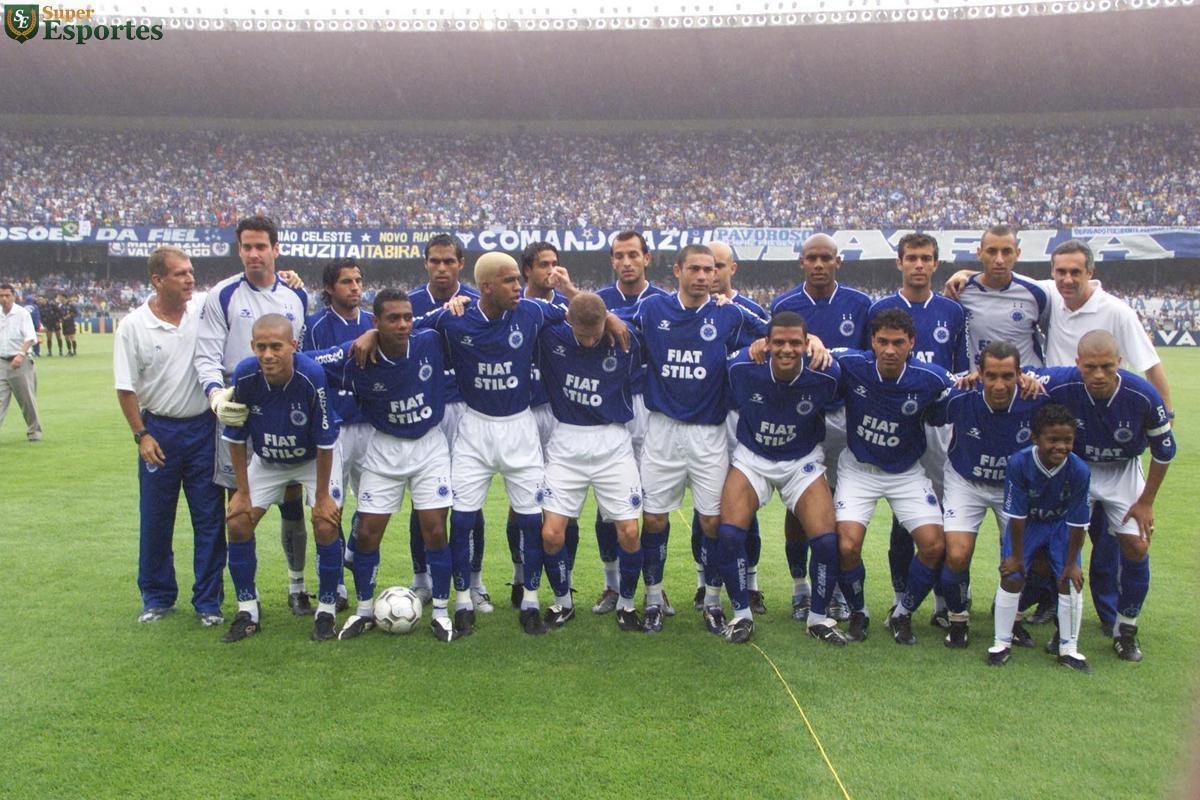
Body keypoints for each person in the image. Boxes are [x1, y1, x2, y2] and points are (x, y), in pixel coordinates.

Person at [412, 252, 625, 635]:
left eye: (517, 279)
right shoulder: (453, 317)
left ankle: (529, 600)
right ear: (487, 287)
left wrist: (607, 315)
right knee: (461, 518)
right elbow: (406, 328)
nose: (518, 286)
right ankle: (462, 601)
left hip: (520, 427)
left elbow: (582, 312)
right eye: (510, 280)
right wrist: (369, 333)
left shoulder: (533, 311)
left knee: (530, 519)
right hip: (474, 429)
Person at [631, 244, 766, 634]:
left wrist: (774, 342)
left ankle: (711, 600)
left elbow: (778, 330)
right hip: (662, 431)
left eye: (709, 269)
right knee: (654, 519)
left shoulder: (729, 313)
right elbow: (608, 318)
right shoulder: (652, 308)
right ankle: (653, 599)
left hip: (709, 434)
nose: (704, 276)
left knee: (712, 522)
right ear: (677, 270)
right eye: (695, 269)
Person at [309, 289, 457, 642]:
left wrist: (375, 332)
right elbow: (307, 361)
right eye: (392, 318)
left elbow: (437, 315)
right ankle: (362, 610)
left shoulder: (429, 341)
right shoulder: (354, 355)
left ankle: (440, 610)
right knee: (366, 534)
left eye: (406, 317)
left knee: (435, 529)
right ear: (375, 321)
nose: (403, 324)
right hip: (384, 449)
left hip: (428, 446)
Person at [194, 215, 315, 616]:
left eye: (261, 246)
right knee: (240, 506)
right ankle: (249, 601)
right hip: (238, 404)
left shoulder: (297, 296)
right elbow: (207, 354)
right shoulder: (223, 295)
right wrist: (216, 396)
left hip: (284, 407)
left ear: (276, 250)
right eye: (246, 246)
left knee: (292, 500)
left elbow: (302, 357)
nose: (253, 254)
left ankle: (297, 587)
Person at [1040, 330, 1176, 661]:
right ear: (1077, 364)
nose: (1098, 375)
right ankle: (1065, 627)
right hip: (1077, 468)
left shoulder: (1143, 395)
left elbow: (1164, 452)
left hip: (1122, 471)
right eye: (1089, 367)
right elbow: (1017, 374)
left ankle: (1126, 629)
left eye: (1105, 366)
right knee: (1065, 549)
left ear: (1119, 362)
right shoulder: (1061, 382)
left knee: (1136, 545)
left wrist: (1145, 502)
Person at [114, 247, 226, 626]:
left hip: (203, 429)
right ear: (158, 280)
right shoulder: (134, 325)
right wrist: (141, 435)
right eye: (180, 274)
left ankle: (208, 602)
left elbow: (240, 285)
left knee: (210, 518)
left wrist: (288, 275)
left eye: (191, 272)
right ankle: (157, 597)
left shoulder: (204, 308)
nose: (189, 279)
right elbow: (125, 388)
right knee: (156, 518)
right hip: (158, 430)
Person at [831, 308, 954, 644]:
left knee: (933, 545)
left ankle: (902, 613)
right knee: (846, 545)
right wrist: (812, 341)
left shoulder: (932, 378)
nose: (889, 350)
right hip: (859, 469)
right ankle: (859, 611)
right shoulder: (852, 364)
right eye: (882, 341)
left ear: (911, 343)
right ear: (872, 340)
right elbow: (815, 353)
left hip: (906, 473)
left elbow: (966, 389)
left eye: (898, 342)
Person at [720, 311, 843, 645]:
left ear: (807, 344)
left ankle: (818, 618)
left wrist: (823, 344)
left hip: (801, 461)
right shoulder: (743, 367)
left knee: (826, 541)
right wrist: (748, 349)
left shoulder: (826, 372)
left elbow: (854, 361)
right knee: (729, 535)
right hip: (752, 459)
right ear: (767, 343)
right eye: (779, 342)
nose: (787, 349)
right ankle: (741, 615)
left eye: (795, 342)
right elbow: (725, 358)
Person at [221, 314, 343, 643]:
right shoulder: (245, 374)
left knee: (325, 523)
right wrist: (242, 492)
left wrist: (321, 498)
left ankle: (327, 610)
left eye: (276, 346)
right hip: (267, 459)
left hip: (313, 460)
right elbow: (234, 437)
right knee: (237, 521)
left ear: (293, 345)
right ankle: (248, 609)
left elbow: (325, 441)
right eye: (261, 347)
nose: (268, 355)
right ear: (252, 347)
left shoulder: (311, 375)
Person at [868, 232, 968, 630]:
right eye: (912, 258)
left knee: (945, 516)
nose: (919, 265)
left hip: (940, 427)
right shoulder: (881, 308)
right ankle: (899, 598)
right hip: (900, 425)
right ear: (900, 262)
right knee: (902, 518)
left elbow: (960, 371)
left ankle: (945, 600)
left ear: (936, 263)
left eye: (926, 258)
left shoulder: (952, 311)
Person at [770, 233, 869, 620]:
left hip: (845, 415)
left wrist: (833, 351)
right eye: (811, 258)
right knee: (799, 506)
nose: (818, 264)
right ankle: (801, 588)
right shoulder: (785, 304)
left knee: (838, 508)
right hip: (801, 415)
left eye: (826, 258)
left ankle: (839, 590)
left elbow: (869, 355)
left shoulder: (860, 304)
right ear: (801, 262)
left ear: (838, 262)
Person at [532, 292, 644, 633]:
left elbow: (651, 315)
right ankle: (563, 603)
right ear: (569, 323)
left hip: (612, 441)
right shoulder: (551, 337)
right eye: (584, 335)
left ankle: (626, 604)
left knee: (629, 530)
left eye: (596, 333)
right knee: (551, 534)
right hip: (567, 443)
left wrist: (612, 316)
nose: (592, 341)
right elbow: (532, 307)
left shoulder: (625, 336)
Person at [926, 341, 1047, 648]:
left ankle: (1011, 617)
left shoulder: (1036, 399)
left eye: (1007, 376)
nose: (999, 384)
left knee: (1021, 559)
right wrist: (956, 384)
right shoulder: (962, 397)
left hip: (1014, 486)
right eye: (990, 375)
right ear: (979, 373)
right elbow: (930, 413)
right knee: (957, 553)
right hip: (966, 481)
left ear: (1020, 374)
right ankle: (957, 618)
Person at [404, 234, 486, 610]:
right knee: (425, 502)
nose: (441, 268)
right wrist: (441, 314)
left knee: (469, 501)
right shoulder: (411, 303)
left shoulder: (477, 300)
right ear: (425, 263)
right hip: (425, 409)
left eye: (448, 261)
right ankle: (421, 580)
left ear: (460, 263)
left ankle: (474, 581)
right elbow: (403, 334)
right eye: (434, 261)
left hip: (466, 409)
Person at [591, 231, 670, 615]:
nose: (626, 262)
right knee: (609, 506)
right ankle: (612, 584)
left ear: (647, 258)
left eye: (633, 255)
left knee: (656, 504)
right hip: (612, 411)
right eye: (619, 256)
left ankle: (655, 584)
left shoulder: (664, 303)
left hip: (652, 410)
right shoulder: (598, 302)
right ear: (612, 261)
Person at [987, 403, 1091, 673]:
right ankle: (1001, 643)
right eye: (1053, 440)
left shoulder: (1079, 470)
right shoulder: (1020, 463)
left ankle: (1069, 648)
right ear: (1036, 439)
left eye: (1067, 440)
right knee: (1012, 576)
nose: (1061, 446)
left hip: (1060, 526)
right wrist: (1016, 557)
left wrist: (1072, 564)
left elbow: (1078, 522)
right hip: (1029, 525)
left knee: (1069, 581)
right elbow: (1017, 517)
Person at [506, 242, 575, 611]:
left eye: (555, 263)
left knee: (565, 501)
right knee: (521, 507)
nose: (552, 270)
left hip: (556, 412)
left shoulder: (563, 308)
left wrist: (571, 290)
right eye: (544, 265)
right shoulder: (511, 304)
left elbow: (595, 316)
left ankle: (567, 579)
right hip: (522, 413)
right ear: (527, 270)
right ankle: (520, 576)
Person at [703, 240, 770, 615]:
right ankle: (705, 582)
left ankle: (751, 583)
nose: (711, 274)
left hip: (740, 417)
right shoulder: (695, 309)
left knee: (747, 506)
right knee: (709, 507)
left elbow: (776, 339)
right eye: (706, 267)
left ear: (733, 269)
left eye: (719, 266)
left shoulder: (750, 312)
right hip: (707, 418)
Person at [304, 258, 372, 610]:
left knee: (373, 506)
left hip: (371, 426)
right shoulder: (314, 325)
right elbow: (306, 362)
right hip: (331, 429)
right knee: (329, 509)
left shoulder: (374, 322)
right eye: (347, 282)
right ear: (330, 288)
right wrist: (344, 351)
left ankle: (352, 553)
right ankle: (334, 588)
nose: (355, 287)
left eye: (358, 281)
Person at [958, 225, 1050, 369]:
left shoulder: (1036, 293)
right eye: (992, 251)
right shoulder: (960, 291)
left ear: (1017, 254)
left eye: (1007, 252)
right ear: (979, 253)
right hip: (981, 382)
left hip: (1026, 384)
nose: (999, 259)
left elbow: (1051, 334)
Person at [0, 283, 43, 441]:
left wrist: (20, 354)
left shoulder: (22, 313)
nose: (4, 299)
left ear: (14, 296)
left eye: (7, 295)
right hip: (2, 362)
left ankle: (34, 432)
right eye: (1, 295)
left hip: (20, 361)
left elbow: (30, 337)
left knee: (26, 400)